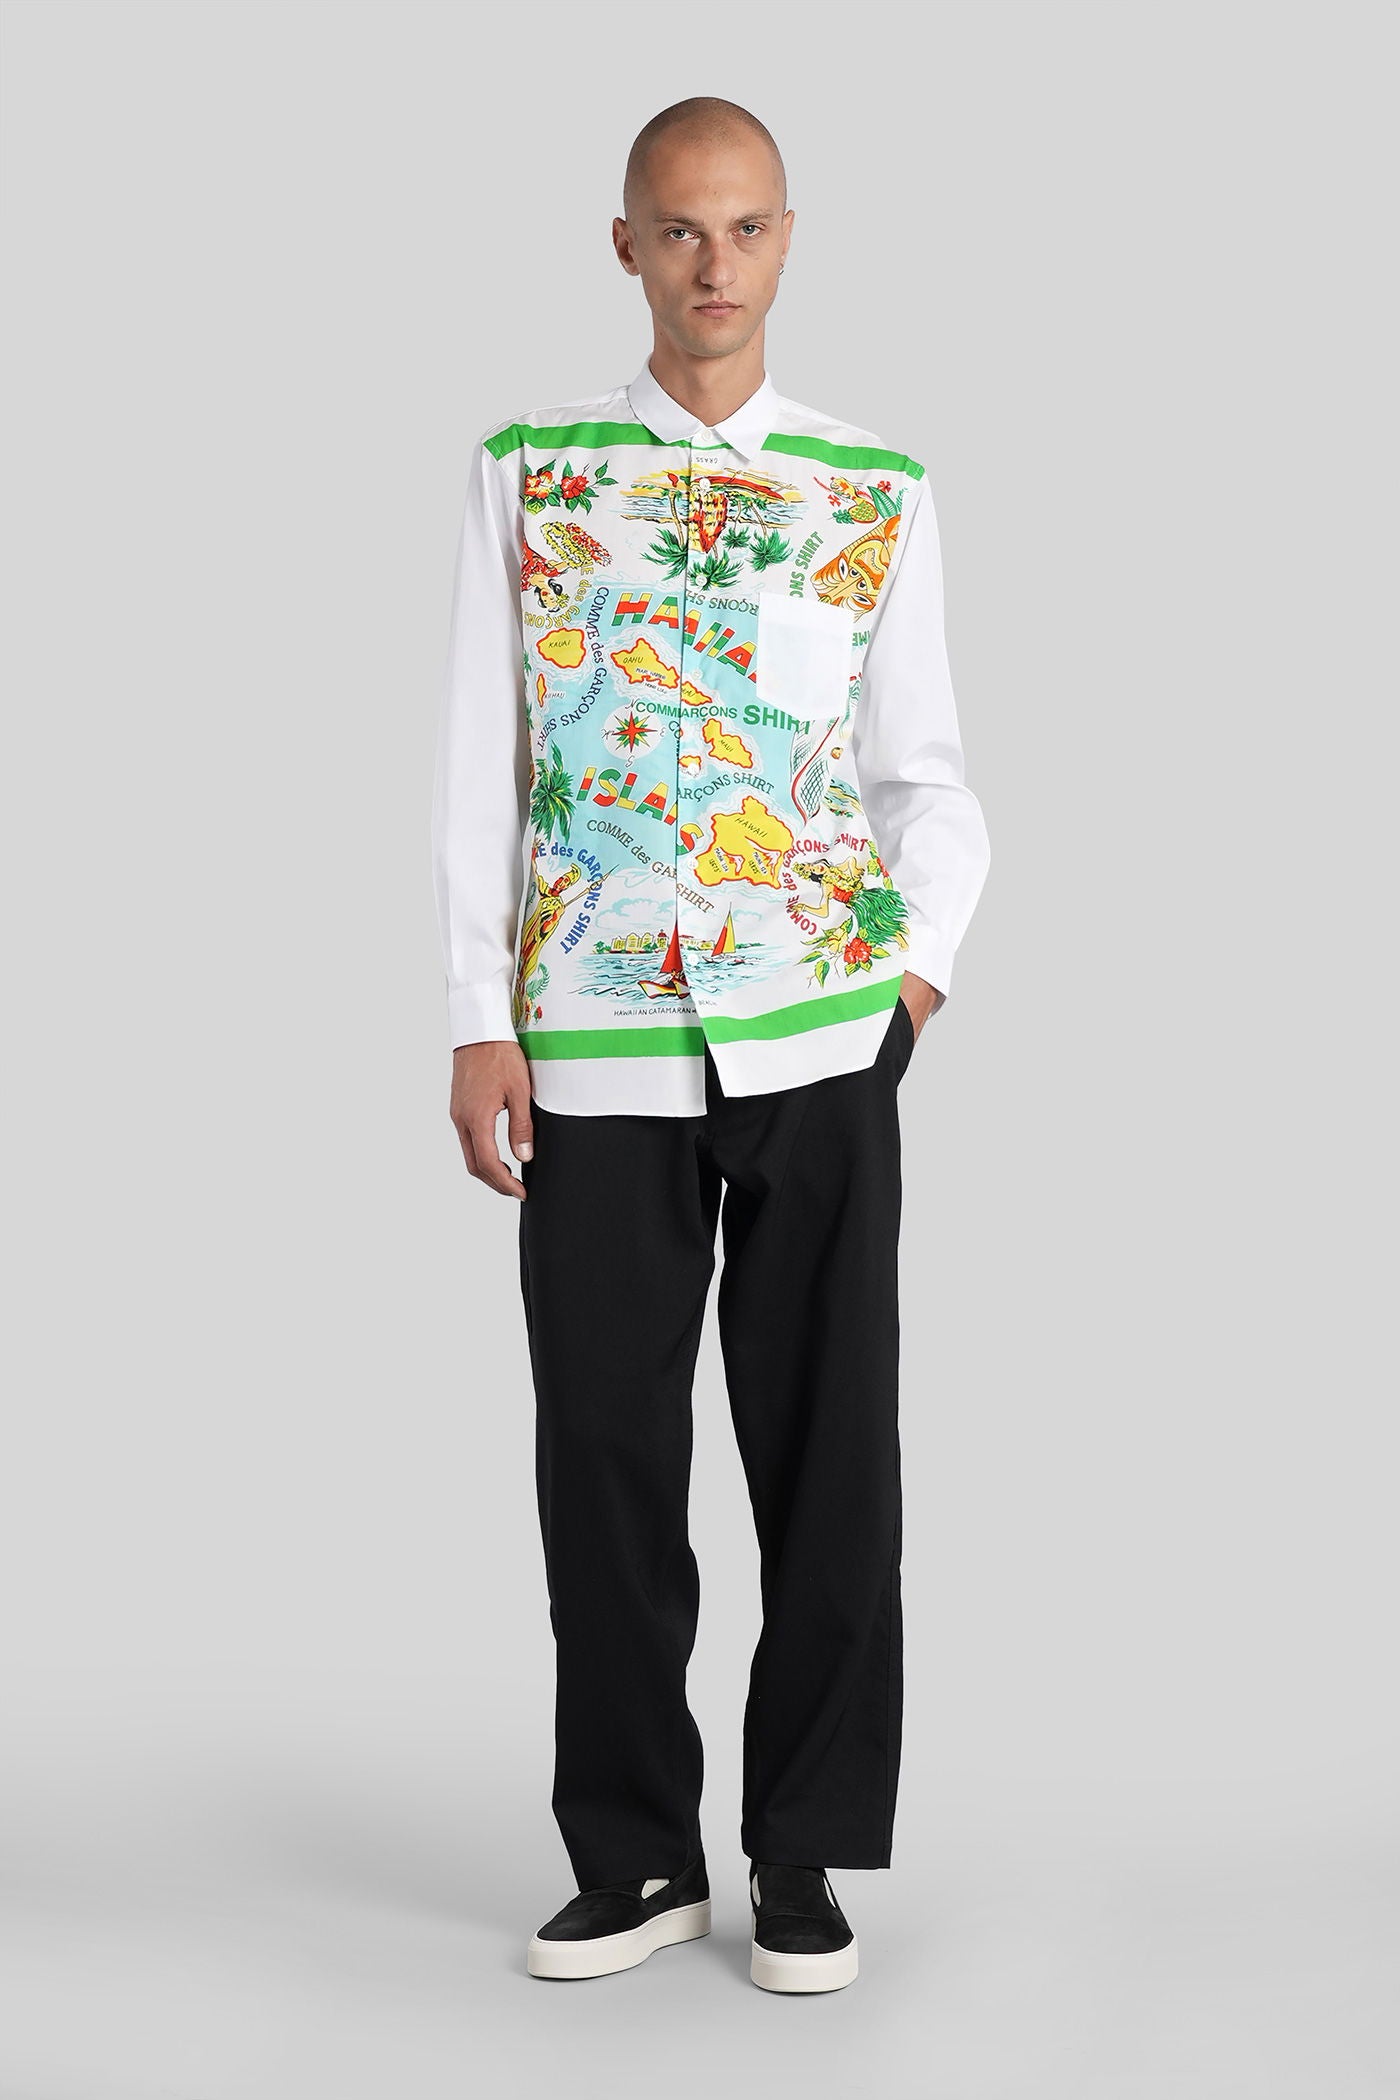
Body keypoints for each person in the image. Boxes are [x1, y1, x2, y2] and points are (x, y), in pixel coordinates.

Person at [431, 96, 990, 1993]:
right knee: (601, 1457)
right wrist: (477, 1018)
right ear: (626, 245)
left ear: (787, 239)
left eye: (745, 228)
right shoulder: (530, 474)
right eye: (679, 229)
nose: (713, 263)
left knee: (831, 1459)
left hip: (819, 1037)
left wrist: (910, 985)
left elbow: (929, 781)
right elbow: (482, 764)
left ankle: (804, 1855)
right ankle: (636, 1854)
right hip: (592, 1041)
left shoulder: (872, 487)